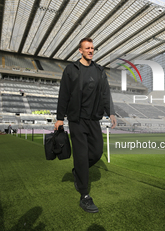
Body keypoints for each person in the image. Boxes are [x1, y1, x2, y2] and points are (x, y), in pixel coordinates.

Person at [54, 37, 117, 213]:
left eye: (92, 48)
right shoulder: (71, 70)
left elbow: (105, 93)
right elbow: (64, 94)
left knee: (97, 152)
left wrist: (110, 112)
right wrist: (60, 117)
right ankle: (84, 196)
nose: (91, 50)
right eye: (87, 48)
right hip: (76, 120)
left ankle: (78, 171)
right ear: (80, 51)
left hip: (93, 120)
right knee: (81, 155)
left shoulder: (99, 70)